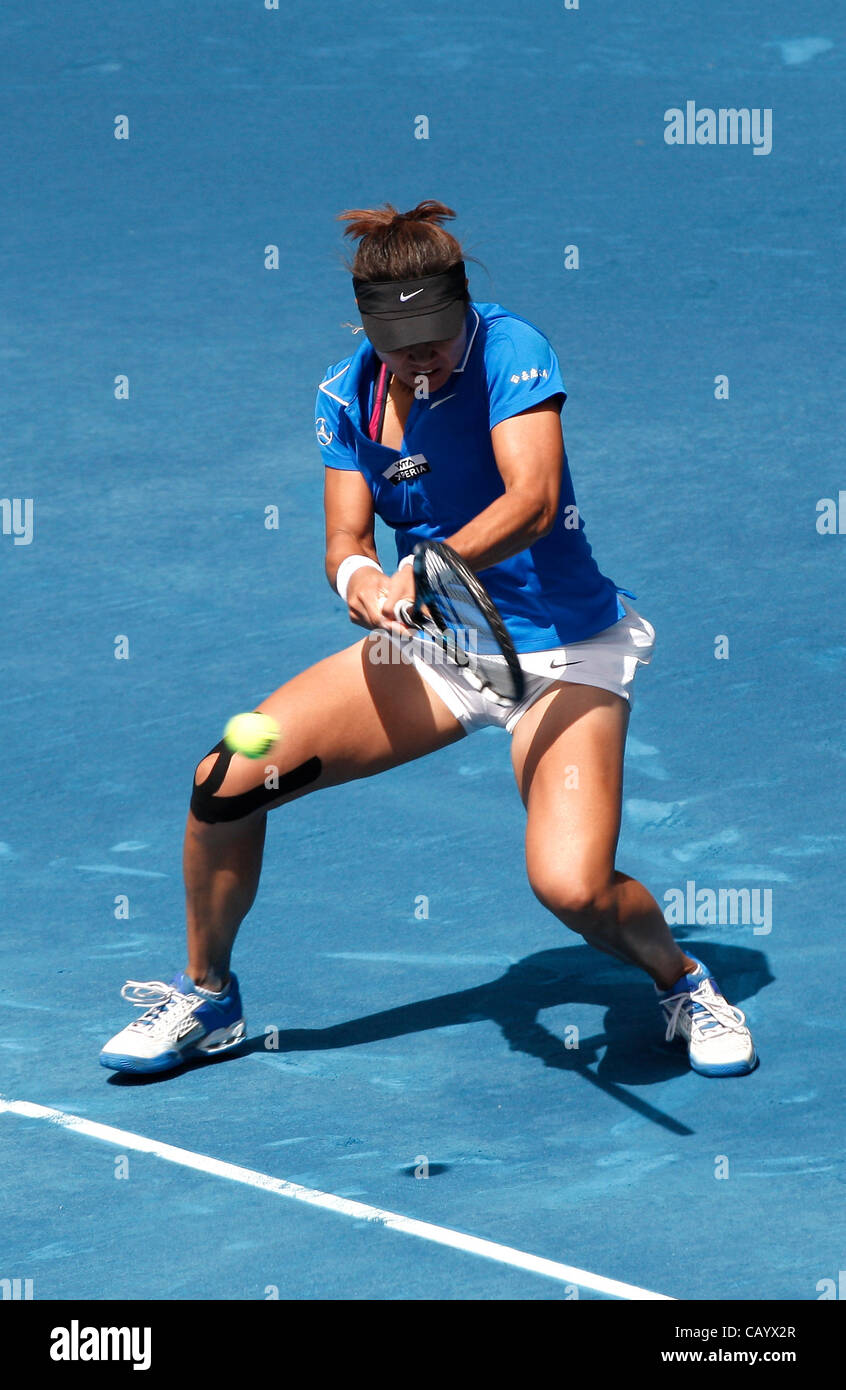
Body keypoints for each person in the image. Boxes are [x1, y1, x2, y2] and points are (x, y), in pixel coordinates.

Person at [100, 200, 756, 1078]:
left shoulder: (511, 350)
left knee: (573, 886)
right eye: (403, 342)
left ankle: (683, 985)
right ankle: (207, 996)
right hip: (441, 650)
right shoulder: (345, 395)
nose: (424, 355)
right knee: (225, 781)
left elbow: (530, 499)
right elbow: (345, 541)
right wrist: (361, 581)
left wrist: (434, 564)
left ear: (462, 309)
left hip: (564, 654)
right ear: (368, 328)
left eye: (438, 336)